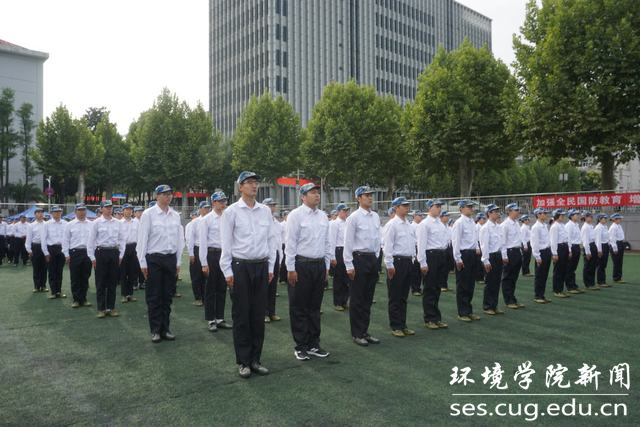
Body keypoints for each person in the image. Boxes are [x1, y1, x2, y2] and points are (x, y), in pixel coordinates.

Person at [220, 171, 278, 378]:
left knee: (257, 315)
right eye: (249, 182)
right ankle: (244, 361)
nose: (254, 186)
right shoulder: (231, 212)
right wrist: (227, 271)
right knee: (242, 315)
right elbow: (226, 243)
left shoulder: (265, 211)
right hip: (240, 267)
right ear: (240, 187)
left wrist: (270, 268)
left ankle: (255, 360)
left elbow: (271, 240)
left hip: (261, 266)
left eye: (256, 182)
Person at [285, 183, 331, 360]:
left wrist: (326, 266)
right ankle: (301, 345)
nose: (317, 195)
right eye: (312, 192)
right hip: (301, 265)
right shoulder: (296, 215)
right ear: (303, 196)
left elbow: (327, 242)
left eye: (317, 192)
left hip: (319, 265)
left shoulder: (323, 216)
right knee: (299, 307)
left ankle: (313, 344)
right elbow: (290, 243)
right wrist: (291, 269)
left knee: (314, 307)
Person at [137, 185, 184, 342]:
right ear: (156, 196)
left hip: (170, 259)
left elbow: (179, 240)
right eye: (164, 194)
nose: (168, 196)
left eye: (170, 194)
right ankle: (155, 330)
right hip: (154, 259)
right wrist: (142, 263)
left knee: (167, 296)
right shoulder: (148, 214)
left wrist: (178, 262)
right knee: (154, 296)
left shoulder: (175, 215)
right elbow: (142, 240)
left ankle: (165, 329)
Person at [344, 186, 381, 346]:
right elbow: (347, 242)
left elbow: (378, 238)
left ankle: (365, 331)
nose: (370, 198)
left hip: (372, 259)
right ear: (358, 198)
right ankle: (357, 333)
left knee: (368, 298)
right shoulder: (354, 217)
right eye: (366, 195)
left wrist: (376, 258)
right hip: (359, 259)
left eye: (371, 195)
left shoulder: (375, 216)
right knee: (357, 298)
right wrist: (349, 264)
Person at [383, 197, 416, 337]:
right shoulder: (392, 225)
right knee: (395, 296)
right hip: (397, 262)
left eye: (407, 205)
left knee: (403, 296)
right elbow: (387, 246)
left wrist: (412, 259)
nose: (407, 207)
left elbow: (412, 244)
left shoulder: (408, 224)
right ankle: (395, 325)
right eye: (404, 205)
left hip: (407, 262)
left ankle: (403, 324)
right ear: (396, 208)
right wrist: (389, 265)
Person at [200, 191, 233, 332]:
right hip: (212, 254)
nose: (223, 203)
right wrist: (204, 263)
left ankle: (220, 319)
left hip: (225, 254)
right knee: (210, 288)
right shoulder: (207, 219)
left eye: (224, 201)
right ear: (213, 203)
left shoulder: (228, 217)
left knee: (222, 287)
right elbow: (202, 242)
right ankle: (210, 320)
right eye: (220, 201)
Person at [87, 200, 125, 318]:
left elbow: (122, 239)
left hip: (114, 252)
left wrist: (120, 255)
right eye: (106, 207)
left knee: (112, 281)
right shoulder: (96, 223)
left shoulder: (118, 223)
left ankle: (110, 308)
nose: (109, 209)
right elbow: (90, 241)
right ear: (101, 209)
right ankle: (101, 309)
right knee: (101, 281)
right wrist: (92, 256)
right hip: (101, 252)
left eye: (110, 207)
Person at [417, 198, 450, 329]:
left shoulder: (440, 224)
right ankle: (429, 318)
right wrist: (423, 262)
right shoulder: (425, 224)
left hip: (441, 255)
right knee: (429, 288)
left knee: (437, 288)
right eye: (437, 206)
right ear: (429, 208)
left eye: (440, 206)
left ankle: (436, 317)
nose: (439, 209)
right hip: (431, 256)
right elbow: (421, 244)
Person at [451, 200, 481, 322]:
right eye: (468, 207)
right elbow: (455, 242)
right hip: (464, 255)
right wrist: (458, 258)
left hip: (472, 254)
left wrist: (477, 249)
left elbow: (474, 238)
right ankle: (462, 312)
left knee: (470, 284)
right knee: (463, 285)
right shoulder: (459, 223)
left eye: (471, 206)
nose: (471, 208)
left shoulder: (472, 222)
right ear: (462, 209)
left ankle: (469, 310)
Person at [63, 203, 93, 308]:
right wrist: (66, 254)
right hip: (75, 252)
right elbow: (65, 240)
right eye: (80, 210)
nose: (82, 212)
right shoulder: (70, 225)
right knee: (75, 276)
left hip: (87, 252)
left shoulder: (91, 224)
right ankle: (76, 299)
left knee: (85, 276)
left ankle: (83, 298)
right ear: (75, 211)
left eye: (84, 210)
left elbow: (94, 240)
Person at [479, 204, 507, 316]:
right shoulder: (486, 228)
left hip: (498, 255)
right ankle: (488, 306)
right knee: (490, 282)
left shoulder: (498, 227)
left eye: (497, 211)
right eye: (495, 212)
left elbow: (502, 243)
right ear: (489, 214)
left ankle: (494, 305)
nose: (497, 214)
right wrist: (486, 261)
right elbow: (484, 246)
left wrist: (503, 256)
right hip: (490, 256)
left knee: (496, 282)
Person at [500, 203, 525, 309]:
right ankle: (508, 301)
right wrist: (504, 256)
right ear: (509, 212)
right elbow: (502, 242)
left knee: (514, 277)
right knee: (507, 277)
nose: (518, 212)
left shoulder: (516, 224)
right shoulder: (505, 225)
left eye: (518, 210)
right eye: (516, 210)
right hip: (509, 252)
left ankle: (513, 299)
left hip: (517, 251)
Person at [262, 198, 283, 323]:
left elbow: (279, 242)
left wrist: (280, 259)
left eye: (273, 206)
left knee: (273, 285)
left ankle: (272, 312)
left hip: (275, 255)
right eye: (270, 206)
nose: (272, 208)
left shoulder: (277, 223)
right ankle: (264, 313)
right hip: (265, 255)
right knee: (264, 285)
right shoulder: (262, 221)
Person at [187, 202, 211, 306]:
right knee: (197, 275)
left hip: (209, 249)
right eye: (205, 208)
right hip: (197, 248)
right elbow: (190, 238)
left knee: (208, 275)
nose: (207, 210)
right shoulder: (195, 222)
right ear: (200, 209)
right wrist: (191, 253)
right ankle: (198, 297)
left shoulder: (211, 219)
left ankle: (206, 296)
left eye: (208, 208)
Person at [42, 206, 67, 299]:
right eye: (55, 211)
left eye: (59, 211)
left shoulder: (65, 223)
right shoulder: (47, 224)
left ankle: (59, 291)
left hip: (62, 248)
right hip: (51, 249)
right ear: (51, 213)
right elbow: (43, 239)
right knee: (52, 271)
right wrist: (45, 252)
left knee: (59, 271)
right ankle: (53, 291)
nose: (57, 213)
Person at [330, 204, 350, 311]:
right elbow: (332, 240)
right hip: (339, 250)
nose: (346, 212)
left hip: (347, 250)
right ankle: (337, 302)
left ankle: (344, 301)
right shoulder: (335, 223)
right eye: (344, 211)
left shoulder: (348, 222)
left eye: (347, 211)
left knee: (346, 278)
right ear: (338, 212)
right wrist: (332, 257)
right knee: (338, 278)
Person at [530, 208, 552, 304]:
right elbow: (534, 243)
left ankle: (542, 295)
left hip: (546, 251)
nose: (546, 215)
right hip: (541, 252)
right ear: (538, 215)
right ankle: (538, 296)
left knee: (545, 275)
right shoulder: (536, 227)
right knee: (540, 275)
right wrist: (537, 256)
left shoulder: (544, 226)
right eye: (544, 213)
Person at [119, 203, 139, 303]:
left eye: (130, 209)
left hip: (133, 247)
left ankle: (130, 294)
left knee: (132, 271)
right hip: (123, 248)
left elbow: (139, 236)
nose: (129, 211)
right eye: (126, 209)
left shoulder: (136, 223)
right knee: (123, 272)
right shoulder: (119, 223)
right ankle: (124, 294)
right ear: (122, 211)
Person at [25, 207, 48, 293]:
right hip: (36, 247)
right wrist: (29, 250)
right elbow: (29, 238)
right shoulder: (31, 225)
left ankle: (43, 285)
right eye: (38, 212)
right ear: (34, 214)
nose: (41, 214)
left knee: (44, 267)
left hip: (45, 246)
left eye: (42, 212)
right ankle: (37, 286)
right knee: (36, 267)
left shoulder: (47, 224)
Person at [549, 209, 571, 298]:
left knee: (563, 269)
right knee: (558, 270)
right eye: (561, 215)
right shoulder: (555, 226)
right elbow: (553, 241)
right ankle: (557, 290)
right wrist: (554, 253)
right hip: (559, 248)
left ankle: (561, 289)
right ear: (556, 216)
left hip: (564, 247)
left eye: (563, 215)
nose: (563, 216)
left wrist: (569, 250)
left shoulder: (562, 225)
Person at [563, 209, 584, 294]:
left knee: (573, 268)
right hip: (572, 247)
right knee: (569, 268)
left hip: (577, 247)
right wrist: (569, 251)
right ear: (571, 216)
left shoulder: (576, 225)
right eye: (575, 214)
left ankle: (573, 285)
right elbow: (568, 239)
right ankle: (570, 287)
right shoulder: (569, 226)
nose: (577, 216)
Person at [580, 212, 599, 291]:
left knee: (593, 265)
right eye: (589, 216)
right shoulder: (585, 227)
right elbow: (585, 240)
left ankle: (592, 283)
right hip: (589, 246)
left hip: (593, 245)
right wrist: (587, 252)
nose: (591, 218)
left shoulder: (591, 226)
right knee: (588, 265)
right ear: (585, 217)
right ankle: (587, 284)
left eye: (591, 216)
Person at [594, 213, 611, 288]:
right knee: (600, 264)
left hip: (605, 245)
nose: (606, 219)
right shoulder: (598, 228)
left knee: (604, 264)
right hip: (601, 246)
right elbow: (598, 240)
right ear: (599, 219)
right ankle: (600, 281)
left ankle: (603, 280)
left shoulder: (605, 226)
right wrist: (599, 250)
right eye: (604, 218)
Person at [439, 210, 454, 291]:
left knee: (447, 267)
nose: (447, 218)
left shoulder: (448, 227)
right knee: (442, 268)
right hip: (442, 248)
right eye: (446, 216)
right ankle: (441, 284)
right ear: (441, 217)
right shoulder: (439, 226)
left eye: (448, 216)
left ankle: (444, 284)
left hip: (448, 247)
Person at [609, 213, 626, 284]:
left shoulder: (619, 226)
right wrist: (614, 248)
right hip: (616, 244)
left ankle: (619, 277)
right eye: (619, 218)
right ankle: (616, 277)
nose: (620, 219)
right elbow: (612, 238)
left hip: (620, 243)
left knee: (619, 261)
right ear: (614, 219)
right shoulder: (613, 227)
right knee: (617, 262)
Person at [409, 211, 423, 296]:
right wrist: (414, 253)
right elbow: (411, 241)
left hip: (421, 248)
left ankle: (418, 287)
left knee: (420, 270)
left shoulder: (421, 225)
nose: (421, 217)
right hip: (415, 248)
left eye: (421, 215)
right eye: (419, 215)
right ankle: (414, 289)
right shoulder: (412, 226)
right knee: (415, 270)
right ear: (414, 216)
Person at [133, 206, 145, 290]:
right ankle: (134, 283)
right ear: (135, 213)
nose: (140, 213)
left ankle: (141, 282)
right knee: (135, 266)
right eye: (138, 211)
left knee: (143, 263)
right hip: (135, 245)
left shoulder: (145, 221)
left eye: (141, 211)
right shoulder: (133, 222)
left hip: (143, 245)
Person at [475, 213, 487, 285]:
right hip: (479, 243)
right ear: (479, 219)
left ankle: (482, 276)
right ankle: (479, 278)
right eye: (483, 219)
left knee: (483, 261)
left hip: (482, 243)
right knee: (479, 262)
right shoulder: (477, 227)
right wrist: (477, 248)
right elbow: (476, 238)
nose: (484, 220)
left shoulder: (483, 226)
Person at [279, 210, 290, 285]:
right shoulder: (281, 225)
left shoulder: (292, 224)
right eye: (287, 215)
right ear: (284, 217)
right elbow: (279, 235)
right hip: (283, 244)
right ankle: (283, 279)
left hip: (290, 244)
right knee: (283, 262)